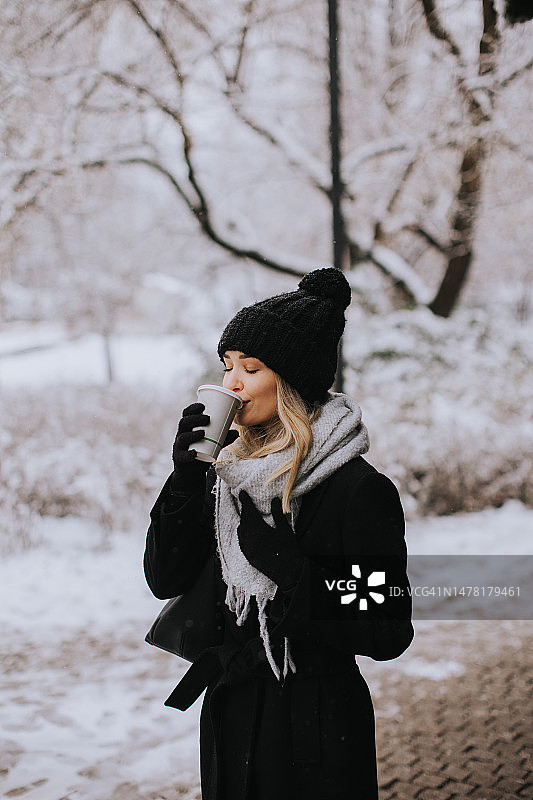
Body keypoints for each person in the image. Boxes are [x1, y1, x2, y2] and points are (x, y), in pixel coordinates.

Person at [144, 267, 414, 800]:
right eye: (227, 367)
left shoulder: (357, 489)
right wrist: (184, 479)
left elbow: (387, 627)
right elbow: (163, 576)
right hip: (232, 719)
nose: (232, 385)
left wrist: (292, 573)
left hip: (317, 731)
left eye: (251, 367)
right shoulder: (223, 478)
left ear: (290, 378)